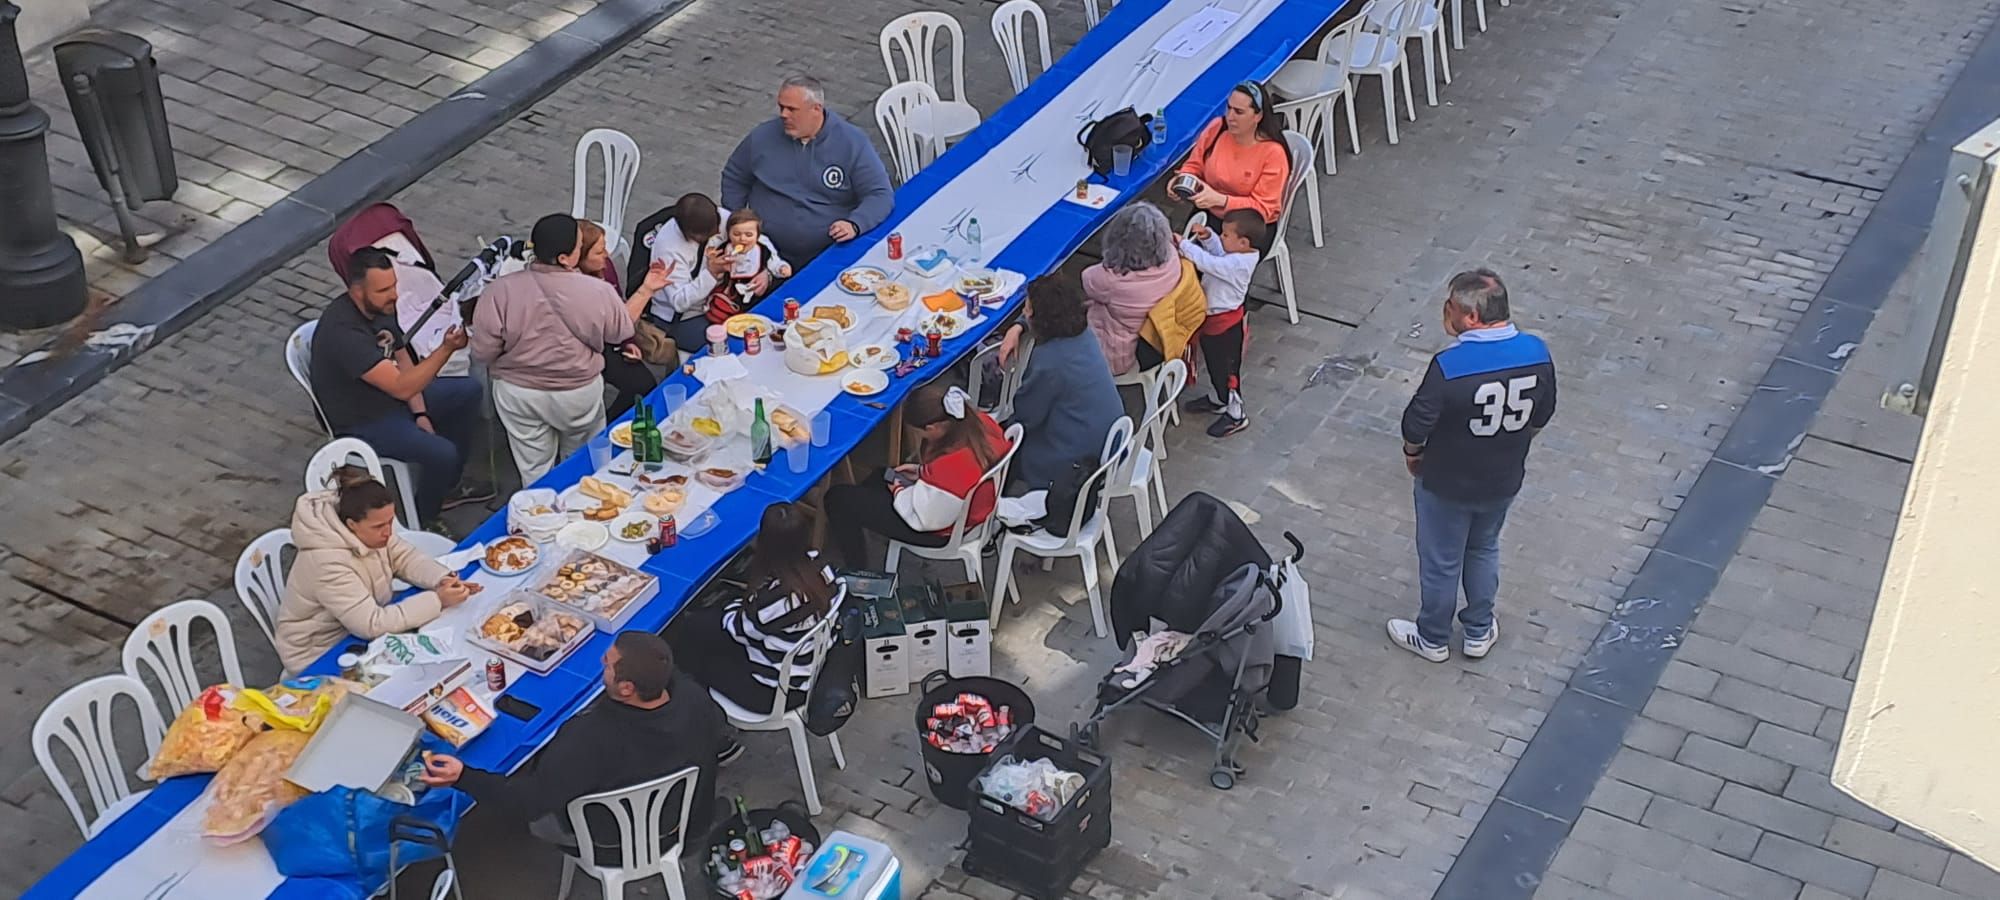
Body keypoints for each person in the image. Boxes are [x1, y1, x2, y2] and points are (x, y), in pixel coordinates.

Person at [419, 632, 726, 863]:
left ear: (626, 688)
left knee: (534, 806)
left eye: (606, 664)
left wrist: (464, 777)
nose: (601, 665)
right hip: (688, 819)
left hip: (612, 843)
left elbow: (528, 802)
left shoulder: (590, 740)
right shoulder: (695, 699)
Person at [1391, 269, 1557, 662]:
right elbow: (1543, 413)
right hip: (1502, 479)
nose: (1443, 313)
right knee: (1483, 549)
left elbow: (1416, 423)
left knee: (1441, 560)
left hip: (1446, 481)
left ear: (1470, 317)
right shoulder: (1537, 352)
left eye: (1448, 306)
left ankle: (1432, 637)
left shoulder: (1451, 365)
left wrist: (1414, 454)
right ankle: (1479, 630)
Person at [311, 247, 490, 524]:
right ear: (356, 291)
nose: (393, 295)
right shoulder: (344, 334)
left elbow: (402, 356)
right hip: (362, 420)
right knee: (442, 452)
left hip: (389, 398)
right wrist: (445, 350)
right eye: (383, 290)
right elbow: (401, 386)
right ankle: (426, 519)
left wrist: (420, 413)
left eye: (393, 285)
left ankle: (447, 485)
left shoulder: (381, 308)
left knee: (468, 391)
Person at [472, 214, 636, 484]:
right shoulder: (598, 290)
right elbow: (620, 332)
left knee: (534, 472)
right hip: (578, 392)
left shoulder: (499, 291)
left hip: (519, 395)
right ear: (565, 257)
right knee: (582, 464)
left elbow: (482, 353)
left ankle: (541, 518)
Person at [273, 466, 480, 674]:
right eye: (379, 526)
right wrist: (438, 600)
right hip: (320, 653)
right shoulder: (326, 563)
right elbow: (372, 624)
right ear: (352, 524)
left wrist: (441, 578)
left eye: (390, 522)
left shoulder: (369, 530)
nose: (388, 532)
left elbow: (404, 558)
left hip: (357, 631)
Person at [669, 503, 844, 716]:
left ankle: (703, 724)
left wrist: (734, 603)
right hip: (809, 667)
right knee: (701, 628)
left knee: (693, 643)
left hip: (773, 691)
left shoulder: (774, 602)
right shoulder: (823, 567)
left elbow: (736, 628)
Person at [824, 384, 1012, 568]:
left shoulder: (950, 466)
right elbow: (959, 479)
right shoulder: (980, 423)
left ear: (932, 428)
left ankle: (856, 568)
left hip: (944, 530)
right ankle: (863, 525)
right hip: (973, 508)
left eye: (920, 432)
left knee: (837, 498)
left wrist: (899, 490)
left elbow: (926, 519)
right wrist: (921, 472)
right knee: (880, 475)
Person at [721, 75, 894, 265]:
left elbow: (879, 194)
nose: (784, 115)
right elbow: (734, 176)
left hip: (829, 254)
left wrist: (855, 224)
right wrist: (737, 222)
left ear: (816, 109)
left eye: (792, 109)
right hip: (766, 251)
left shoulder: (852, 143)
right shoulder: (762, 137)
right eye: (781, 107)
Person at [997, 279, 1126, 491]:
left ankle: (996, 509)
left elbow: (1025, 417)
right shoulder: (1083, 334)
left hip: (1078, 463)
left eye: (1028, 309)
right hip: (1110, 442)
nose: (1024, 311)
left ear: (1041, 319)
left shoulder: (1050, 361)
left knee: (1002, 451)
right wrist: (1018, 326)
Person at [1177, 210, 1266, 438]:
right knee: (1215, 366)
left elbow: (1209, 263)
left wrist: (1184, 245)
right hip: (1213, 320)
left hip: (1225, 326)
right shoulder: (1236, 254)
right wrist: (1209, 238)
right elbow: (1219, 254)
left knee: (1227, 372)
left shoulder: (1239, 264)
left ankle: (1236, 414)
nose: (1222, 237)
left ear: (1243, 242)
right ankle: (1219, 399)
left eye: (1226, 234)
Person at [1174, 81, 1290, 251]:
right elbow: (1194, 165)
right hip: (1209, 214)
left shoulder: (1273, 154)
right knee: (1187, 262)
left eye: (1239, 112)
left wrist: (1221, 200)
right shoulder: (1217, 128)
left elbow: (1264, 209)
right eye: (1229, 108)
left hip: (1247, 230)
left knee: (1210, 269)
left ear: (1257, 116)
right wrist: (1181, 180)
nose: (1230, 117)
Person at [577, 219, 670, 419]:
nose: (607, 255)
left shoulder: (606, 267)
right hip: (585, 351)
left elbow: (619, 303)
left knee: (643, 385)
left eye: (604, 248)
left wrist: (628, 341)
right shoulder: (576, 292)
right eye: (599, 252)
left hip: (613, 338)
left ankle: (611, 422)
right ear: (578, 258)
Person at [1083, 202, 1187, 375]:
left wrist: (1114, 261)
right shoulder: (1172, 259)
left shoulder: (1111, 281)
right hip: (1153, 340)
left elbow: (1087, 278)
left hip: (1115, 353)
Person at [635, 193, 730, 352]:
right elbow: (679, 302)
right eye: (707, 236)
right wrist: (711, 274)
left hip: (717, 299)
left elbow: (756, 236)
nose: (716, 235)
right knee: (723, 343)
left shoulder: (722, 218)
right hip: (682, 317)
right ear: (689, 234)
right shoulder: (669, 248)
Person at [704, 207, 794, 324]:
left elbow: (773, 262)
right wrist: (714, 261)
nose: (742, 239)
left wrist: (782, 268)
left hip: (758, 294)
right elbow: (715, 270)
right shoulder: (724, 249)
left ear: (757, 236)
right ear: (729, 234)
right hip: (733, 296)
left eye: (749, 235)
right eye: (736, 234)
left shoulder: (763, 248)